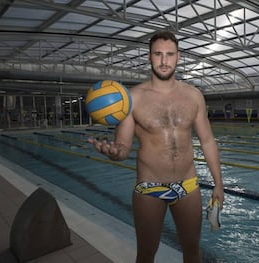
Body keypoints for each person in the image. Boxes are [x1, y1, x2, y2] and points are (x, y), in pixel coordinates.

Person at [88, 31, 224, 263]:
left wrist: (218, 183)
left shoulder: (194, 96)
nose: (164, 60)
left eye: (169, 54)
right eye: (158, 54)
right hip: (149, 187)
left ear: (178, 57)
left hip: (188, 186)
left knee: (193, 252)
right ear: (149, 57)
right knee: (146, 254)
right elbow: (123, 147)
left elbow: (207, 140)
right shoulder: (132, 98)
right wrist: (113, 153)